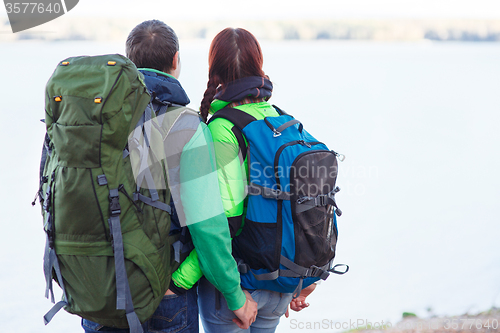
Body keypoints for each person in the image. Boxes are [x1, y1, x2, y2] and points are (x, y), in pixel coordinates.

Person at [81, 20, 257, 333]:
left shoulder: (91, 119)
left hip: (100, 289)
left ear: (128, 62)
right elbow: (209, 226)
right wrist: (234, 296)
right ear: (176, 60)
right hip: (163, 293)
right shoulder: (186, 127)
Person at [197, 27, 317, 333]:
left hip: (237, 290)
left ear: (215, 70)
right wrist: (306, 281)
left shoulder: (222, 129)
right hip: (281, 285)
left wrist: (179, 281)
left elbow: (224, 220)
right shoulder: (282, 120)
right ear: (258, 64)